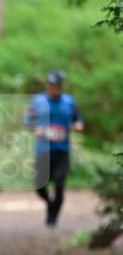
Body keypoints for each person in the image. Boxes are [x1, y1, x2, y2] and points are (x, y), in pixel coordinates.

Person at [24, 70, 84, 227]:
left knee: (59, 184)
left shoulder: (69, 102)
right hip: (43, 150)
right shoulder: (38, 101)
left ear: (61, 86)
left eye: (56, 86)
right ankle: (49, 204)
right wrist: (35, 129)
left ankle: (53, 217)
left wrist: (78, 125)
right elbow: (28, 121)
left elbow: (78, 119)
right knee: (39, 186)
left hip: (62, 150)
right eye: (51, 85)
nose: (53, 88)